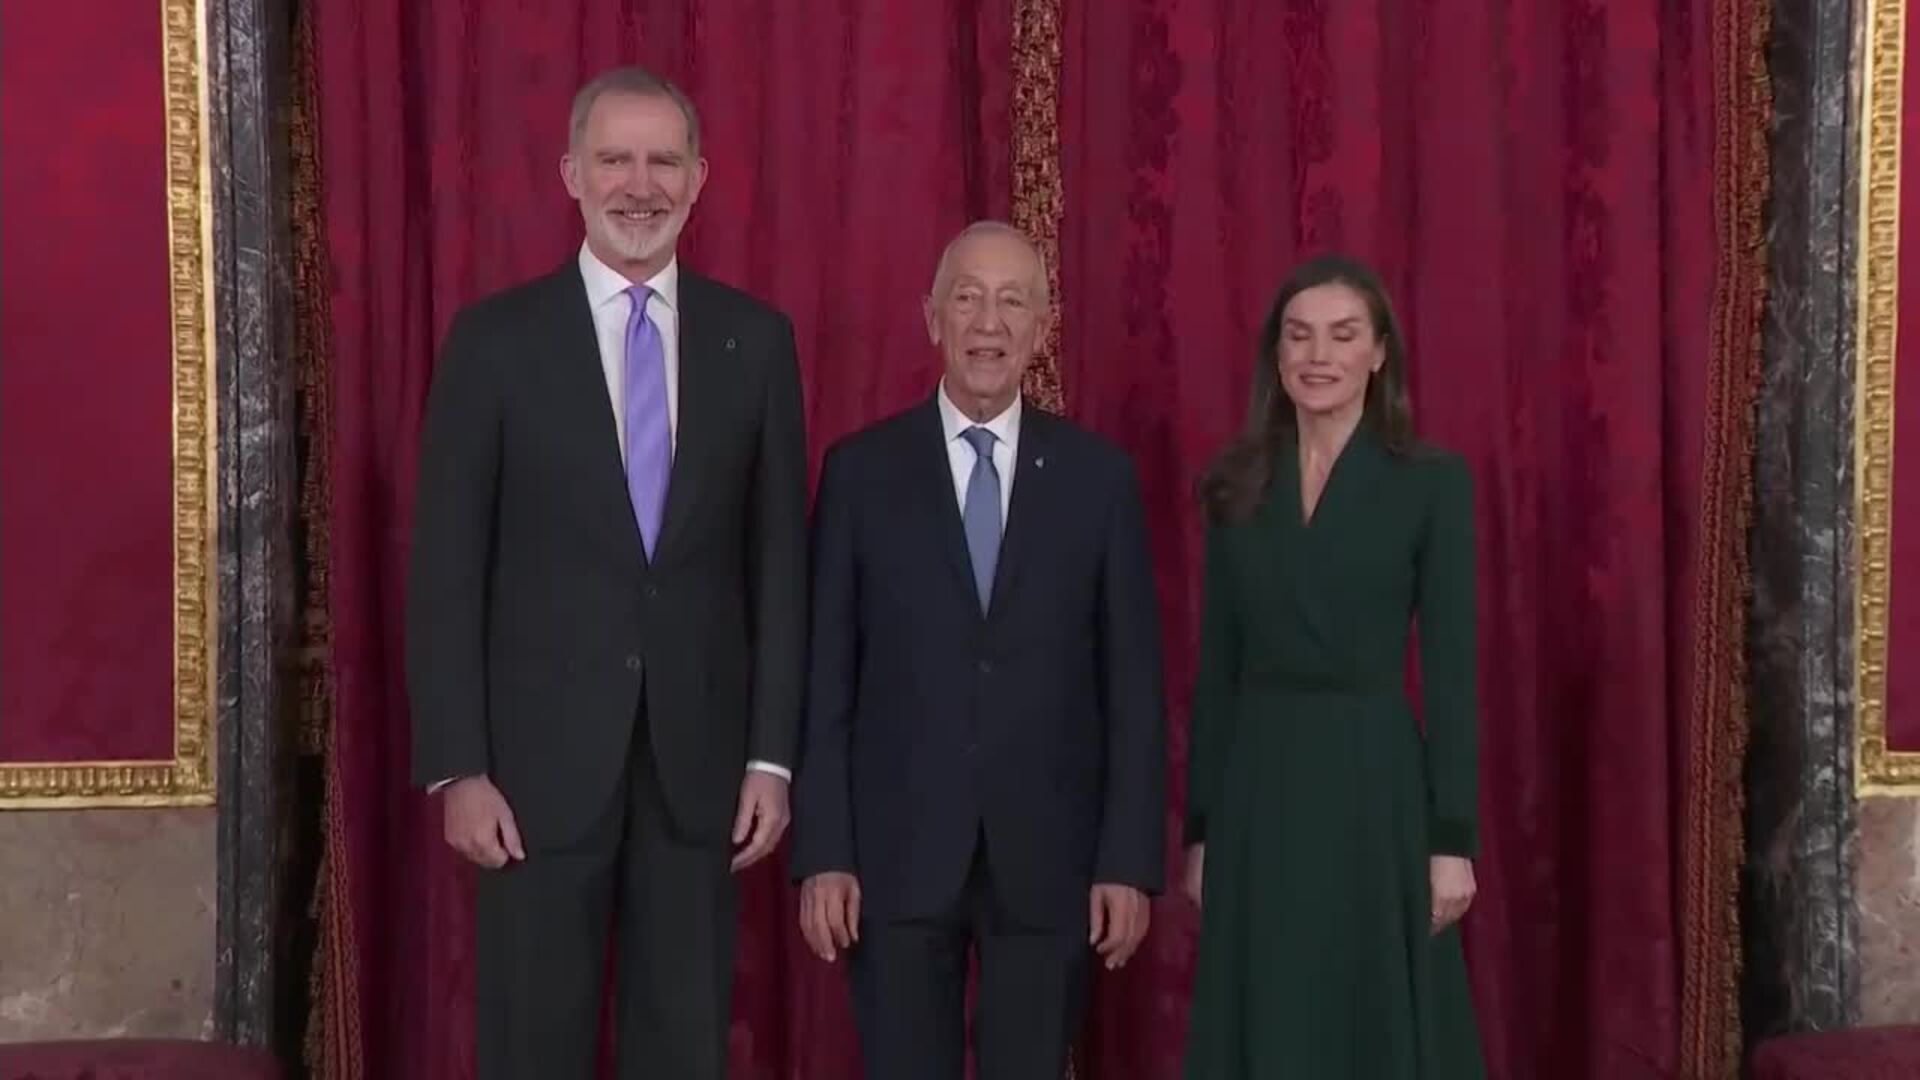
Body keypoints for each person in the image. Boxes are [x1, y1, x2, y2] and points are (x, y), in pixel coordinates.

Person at [405, 65, 808, 1079]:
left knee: (684, 1047)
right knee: (532, 1048)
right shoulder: (493, 343)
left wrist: (770, 759)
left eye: (663, 161)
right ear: (571, 175)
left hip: (699, 772)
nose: (640, 184)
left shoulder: (757, 343)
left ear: (699, 178)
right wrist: (459, 769)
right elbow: (447, 570)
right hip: (532, 779)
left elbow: (777, 566)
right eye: (615, 160)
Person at [790, 221, 1167, 1078]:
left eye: (1012, 302)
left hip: (1051, 857)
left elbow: (1133, 689)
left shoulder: (1099, 481)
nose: (988, 323)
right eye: (967, 298)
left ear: (1042, 326)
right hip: (894, 855)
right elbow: (826, 679)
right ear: (932, 318)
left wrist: (1127, 861)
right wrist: (825, 852)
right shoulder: (860, 473)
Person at [1179, 254, 1485, 1078]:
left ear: (1379, 353)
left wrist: (1451, 840)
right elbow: (1218, 671)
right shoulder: (1235, 483)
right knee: (1270, 1009)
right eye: (1300, 335)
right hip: (1260, 791)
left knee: (1368, 1017)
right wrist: (1201, 831)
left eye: (1343, 335)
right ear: (1276, 354)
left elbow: (1452, 674)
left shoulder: (1431, 483)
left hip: (1374, 787)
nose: (1319, 355)